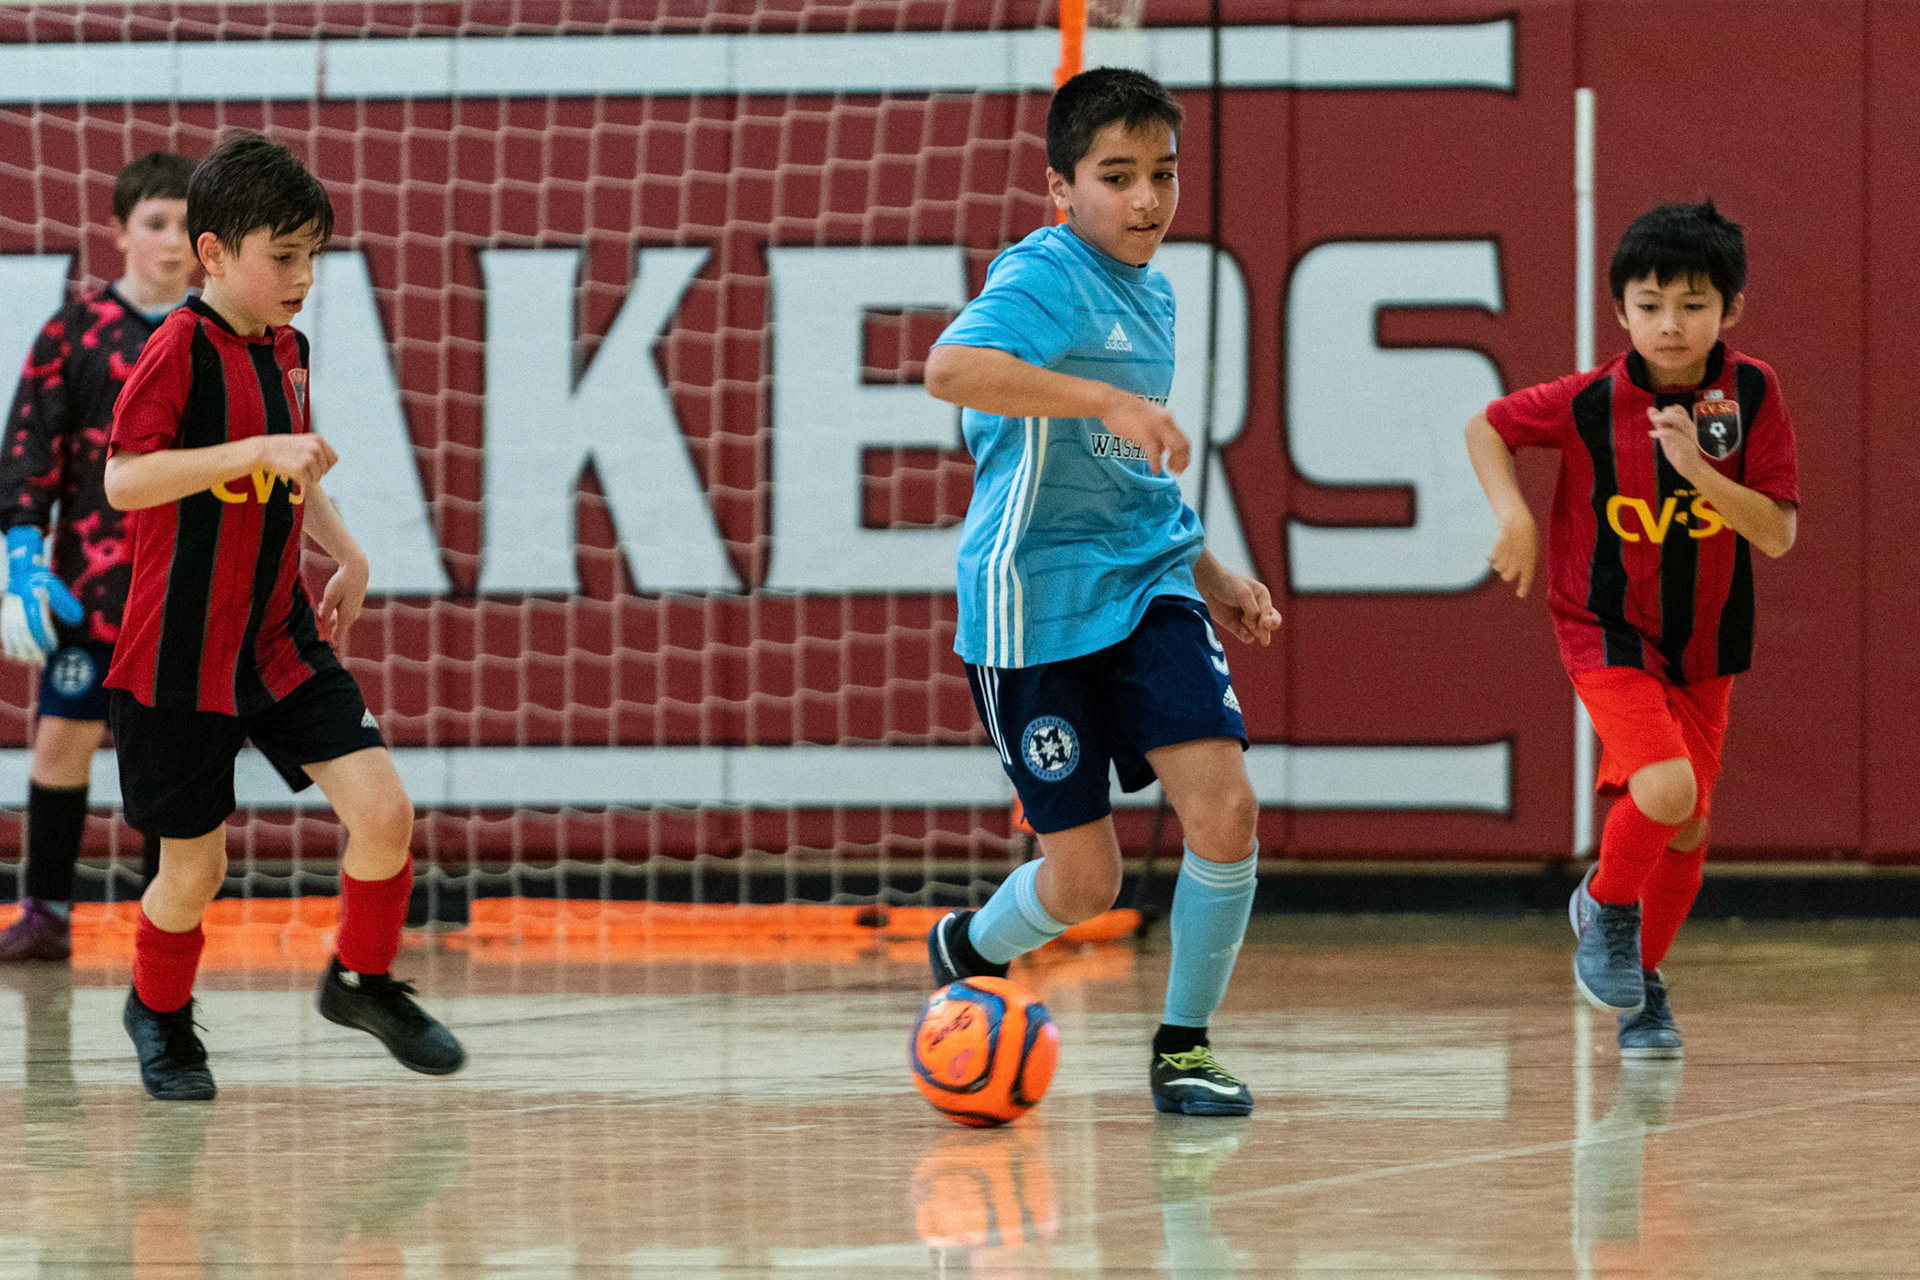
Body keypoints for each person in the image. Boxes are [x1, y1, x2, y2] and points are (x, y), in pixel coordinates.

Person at [922, 67, 1281, 1116]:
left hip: (1147, 583)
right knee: (1086, 882)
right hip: (1032, 607)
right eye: (1116, 177)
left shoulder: (1155, 292)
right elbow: (949, 370)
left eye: (1162, 174)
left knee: (1226, 811)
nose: (1147, 199)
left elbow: (1134, 475)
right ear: (1060, 189)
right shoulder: (1043, 274)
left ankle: (1184, 1047)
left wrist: (1210, 572)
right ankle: (967, 947)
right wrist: (1102, 399)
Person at [103, 130, 463, 1100]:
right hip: (178, 653)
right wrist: (256, 452)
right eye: (286, 255)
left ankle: (362, 980)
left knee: (385, 812)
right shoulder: (177, 347)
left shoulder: (289, 347)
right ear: (214, 253)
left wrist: (342, 547)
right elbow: (126, 480)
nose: (305, 276)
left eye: (315, 255)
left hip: (277, 636)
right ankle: (159, 1013)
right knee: (194, 872)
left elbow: (290, 465)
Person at [1465, 200, 1799, 1057]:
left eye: (1693, 304)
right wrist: (1516, 517)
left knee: (1686, 828)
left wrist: (1696, 470)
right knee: (1668, 790)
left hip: (1706, 641)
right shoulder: (1588, 401)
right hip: (1603, 624)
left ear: (1731, 308)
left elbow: (1776, 533)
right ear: (1620, 311)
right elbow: (1488, 426)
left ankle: (1640, 985)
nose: (1671, 324)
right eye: (1650, 305)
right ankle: (1605, 905)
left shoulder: (1752, 393)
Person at [0, 154, 191, 961]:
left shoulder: (216, 336)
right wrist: (22, 557)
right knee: (61, 741)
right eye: (156, 223)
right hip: (92, 590)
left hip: (186, 592)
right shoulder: (73, 331)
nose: (174, 241)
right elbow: (28, 448)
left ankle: (164, 923)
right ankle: (46, 912)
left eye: (189, 226)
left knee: (171, 761)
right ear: (118, 232)